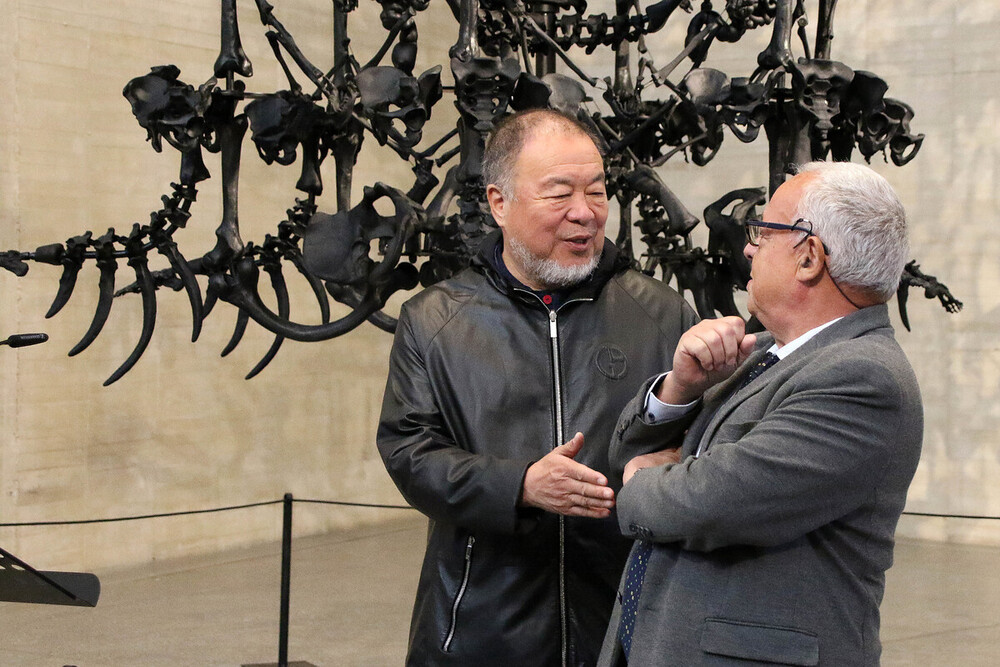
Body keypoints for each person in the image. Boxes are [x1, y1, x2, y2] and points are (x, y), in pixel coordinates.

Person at [377, 108, 697, 666]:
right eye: (559, 194)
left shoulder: (662, 314)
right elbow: (409, 451)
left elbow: (706, 448)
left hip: (625, 627)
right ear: (499, 203)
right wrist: (518, 484)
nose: (585, 213)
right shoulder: (434, 319)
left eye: (596, 192)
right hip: (478, 629)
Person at [598, 161, 923, 666]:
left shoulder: (862, 378)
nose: (747, 247)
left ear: (809, 256)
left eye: (763, 231)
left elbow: (710, 502)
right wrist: (681, 387)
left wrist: (642, 482)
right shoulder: (761, 352)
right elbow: (627, 454)